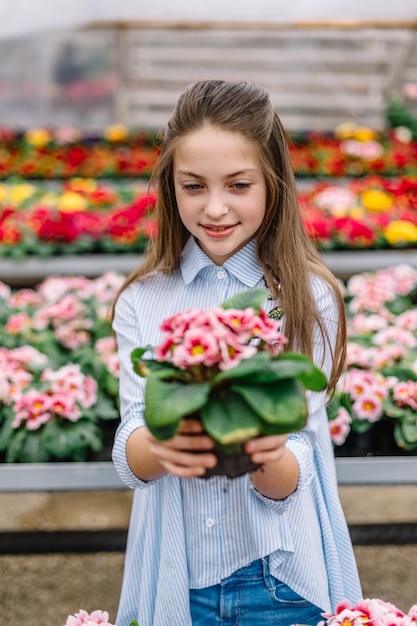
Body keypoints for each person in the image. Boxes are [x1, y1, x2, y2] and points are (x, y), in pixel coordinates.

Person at [112, 79, 362, 626]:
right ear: (169, 188)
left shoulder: (305, 294)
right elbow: (132, 446)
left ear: (273, 185)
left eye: (239, 185)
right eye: (193, 186)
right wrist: (164, 443)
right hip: (180, 583)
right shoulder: (143, 300)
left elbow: (296, 466)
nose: (216, 208)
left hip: (281, 579)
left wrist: (260, 446)